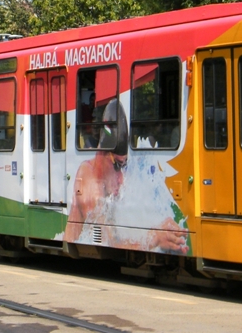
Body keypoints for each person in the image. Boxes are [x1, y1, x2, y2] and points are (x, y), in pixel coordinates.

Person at [64, 100, 187, 254]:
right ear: (102, 153)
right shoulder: (89, 182)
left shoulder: (108, 178)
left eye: (124, 166)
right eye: (117, 165)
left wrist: (164, 229)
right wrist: (154, 238)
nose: (122, 179)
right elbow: (110, 242)